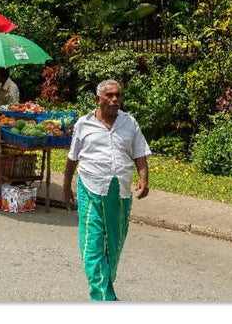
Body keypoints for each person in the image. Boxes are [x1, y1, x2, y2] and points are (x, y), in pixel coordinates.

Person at [62, 79, 150, 301]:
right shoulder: (83, 124)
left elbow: (139, 152)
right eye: (109, 95)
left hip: (119, 191)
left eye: (118, 95)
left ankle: (105, 288)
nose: (115, 100)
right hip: (90, 188)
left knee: (114, 244)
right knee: (92, 245)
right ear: (98, 99)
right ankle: (104, 298)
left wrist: (143, 178)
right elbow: (72, 158)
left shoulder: (129, 123)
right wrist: (66, 186)